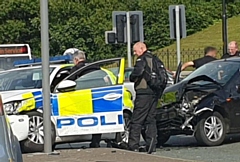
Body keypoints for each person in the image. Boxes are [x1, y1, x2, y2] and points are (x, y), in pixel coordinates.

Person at [64, 48, 102, 148]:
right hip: (99, 95)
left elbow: (67, 82)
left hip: (83, 98)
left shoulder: (76, 69)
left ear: (76, 60)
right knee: (98, 119)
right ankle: (96, 141)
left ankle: (81, 137)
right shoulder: (95, 66)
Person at [128, 42, 159, 153]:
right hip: (154, 92)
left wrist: (132, 77)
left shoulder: (142, 59)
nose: (135, 53)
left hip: (143, 92)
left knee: (137, 119)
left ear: (142, 48)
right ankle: (151, 144)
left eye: (135, 51)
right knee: (150, 119)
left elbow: (138, 72)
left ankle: (133, 145)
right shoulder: (155, 58)